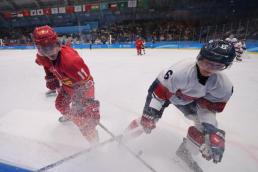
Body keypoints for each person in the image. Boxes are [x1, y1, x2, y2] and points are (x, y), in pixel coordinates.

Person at [127, 40, 236, 171]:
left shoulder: (224, 86)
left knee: (206, 134)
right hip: (168, 94)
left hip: (190, 101)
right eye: (206, 62)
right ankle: (125, 137)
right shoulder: (179, 71)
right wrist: (149, 113)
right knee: (148, 120)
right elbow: (158, 92)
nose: (208, 69)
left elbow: (207, 109)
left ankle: (183, 154)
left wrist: (210, 131)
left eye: (217, 66)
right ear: (199, 58)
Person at [33, 25, 100, 144]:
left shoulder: (71, 62)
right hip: (66, 86)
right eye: (44, 50)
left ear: (57, 43)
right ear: (39, 49)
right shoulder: (42, 57)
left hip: (81, 88)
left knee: (84, 122)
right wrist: (49, 76)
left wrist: (88, 104)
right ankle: (71, 116)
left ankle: (94, 141)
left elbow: (87, 82)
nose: (50, 54)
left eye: (52, 47)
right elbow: (46, 64)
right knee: (60, 105)